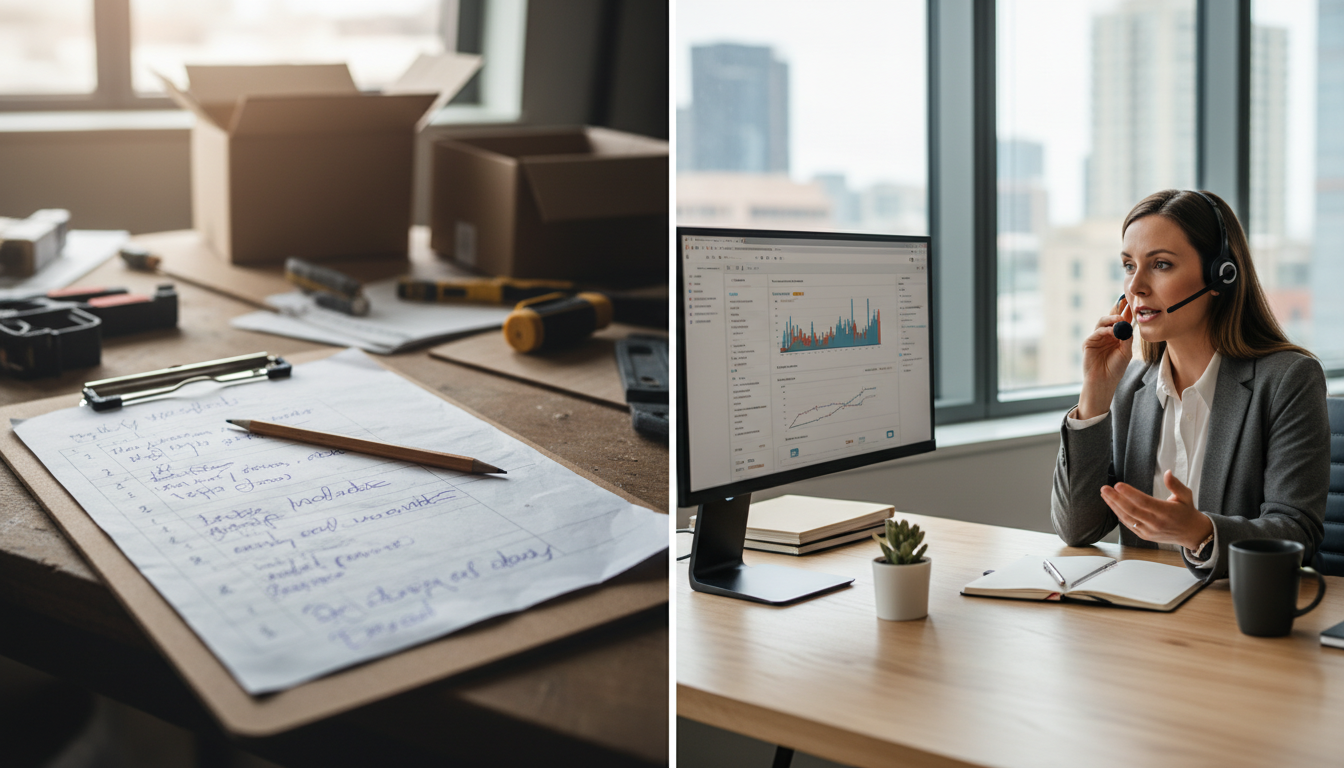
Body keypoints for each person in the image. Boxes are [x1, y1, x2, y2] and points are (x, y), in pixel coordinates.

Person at [1051, 189, 1328, 580]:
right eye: (1129, 266)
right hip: (1145, 610)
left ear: (1220, 275)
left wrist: (1200, 533)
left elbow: (1297, 532)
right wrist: (1094, 395)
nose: (1136, 287)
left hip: (1233, 612)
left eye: (1160, 265)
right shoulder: (1131, 387)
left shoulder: (1287, 380)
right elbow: (1076, 528)